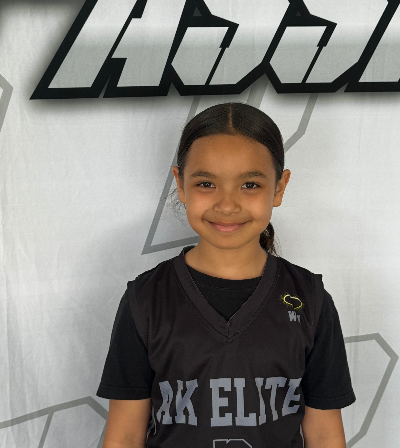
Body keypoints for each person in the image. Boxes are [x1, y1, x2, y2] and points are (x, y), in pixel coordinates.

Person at [96, 102, 355, 448]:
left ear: (279, 187)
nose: (227, 205)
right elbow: (125, 436)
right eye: (206, 183)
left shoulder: (310, 300)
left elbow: (324, 435)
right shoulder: (145, 300)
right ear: (181, 184)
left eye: (250, 184)